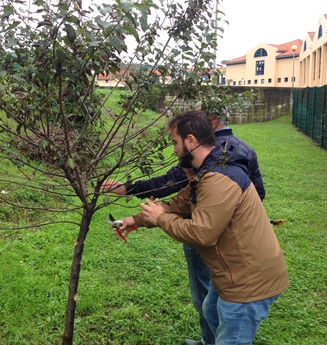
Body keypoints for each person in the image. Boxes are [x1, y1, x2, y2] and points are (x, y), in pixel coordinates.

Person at [117, 111, 289, 344]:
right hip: (232, 273)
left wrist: (160, 220)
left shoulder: (218, 178)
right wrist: (135, 220)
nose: (175, 150)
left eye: (175, 143)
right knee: (210, 310)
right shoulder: (206, 172)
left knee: (232, 336)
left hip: (247, 281)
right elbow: (177, 205)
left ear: (190, 140)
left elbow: (202, 234)